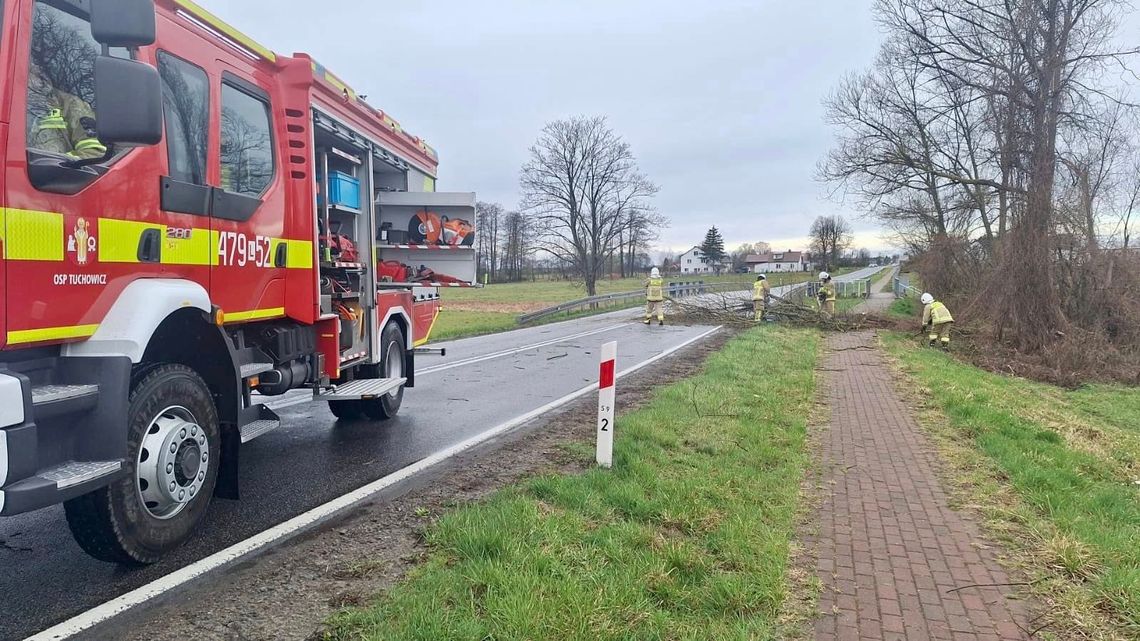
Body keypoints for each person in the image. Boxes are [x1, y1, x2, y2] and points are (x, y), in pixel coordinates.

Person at [27, 62, 107, 160]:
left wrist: (58, 163)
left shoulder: (70, 105)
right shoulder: (7, 104)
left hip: (53, 173)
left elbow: (94, 154)